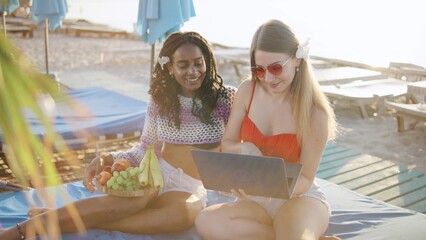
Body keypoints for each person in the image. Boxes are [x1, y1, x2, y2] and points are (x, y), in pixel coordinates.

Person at [0, 31, 236, 240]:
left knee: (184, 214)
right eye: (183, 65)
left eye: (198, 63)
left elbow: (242, 138)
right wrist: (109, 157)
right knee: (122, 204)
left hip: (188, 187)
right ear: (170, 68)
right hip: (154, 174)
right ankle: (17, 231)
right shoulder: (161, 100)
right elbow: (145, 148)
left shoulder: (225, 99)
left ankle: (60, 219)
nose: (193, 71)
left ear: (208, 62)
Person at [195, 19, 340, 240]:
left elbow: (306, 179)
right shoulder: (248, 90)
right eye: (259, 70)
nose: (268, 78)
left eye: (275, 68)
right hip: (255, 199)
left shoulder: (315, 113)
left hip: (297, 197)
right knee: (206, 221)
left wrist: (267, 187)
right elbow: (228, 142)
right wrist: (244, 153)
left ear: (297, 60)